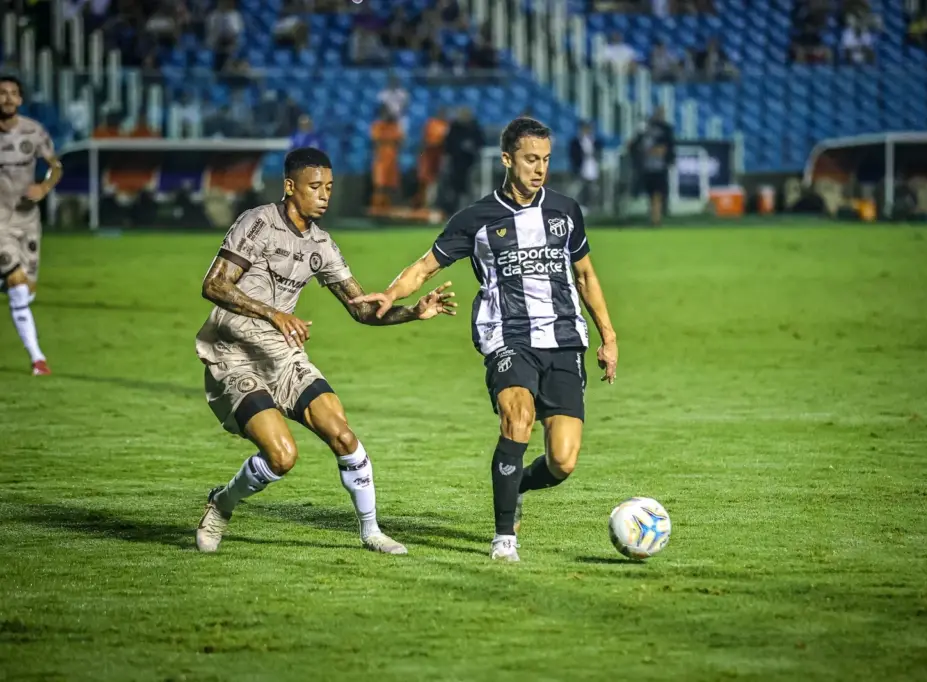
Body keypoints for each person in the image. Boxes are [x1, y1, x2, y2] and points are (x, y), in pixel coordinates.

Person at [351, 118, 619, 562]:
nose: (540, 169)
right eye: (532, 160)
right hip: (507, 336)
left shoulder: (565, 211)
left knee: (563, 461)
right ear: (507, 159)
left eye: (546, 160)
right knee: (517, 417)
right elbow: (425, 266)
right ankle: (503, 538)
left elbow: (586, 275)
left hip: (565, 338)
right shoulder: (475, 219)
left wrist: (608, 338)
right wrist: (393, 292)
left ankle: (519, 487)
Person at [194, 147, 458, 554]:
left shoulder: (322, 244)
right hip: (233, 354)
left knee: (343, 434)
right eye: (315, 186)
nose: (324, 195)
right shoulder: (257, 223)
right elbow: (214, 285)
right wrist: (274, 315)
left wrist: (413, 312)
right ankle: (222, 503)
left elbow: (362, 310)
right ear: (289, 186)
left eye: (329, 187)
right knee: (282, 457)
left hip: (282, 355)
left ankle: (371, 531)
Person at [0, 75, 63, 375]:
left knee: (28, 291)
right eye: (2, 93)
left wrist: (43, 188)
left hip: (27, 222)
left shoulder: (33, 132)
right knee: (16, 283)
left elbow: (56, 166)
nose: (8, 98)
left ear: (21, 100)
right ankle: (38, 359)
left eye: (13, 93)